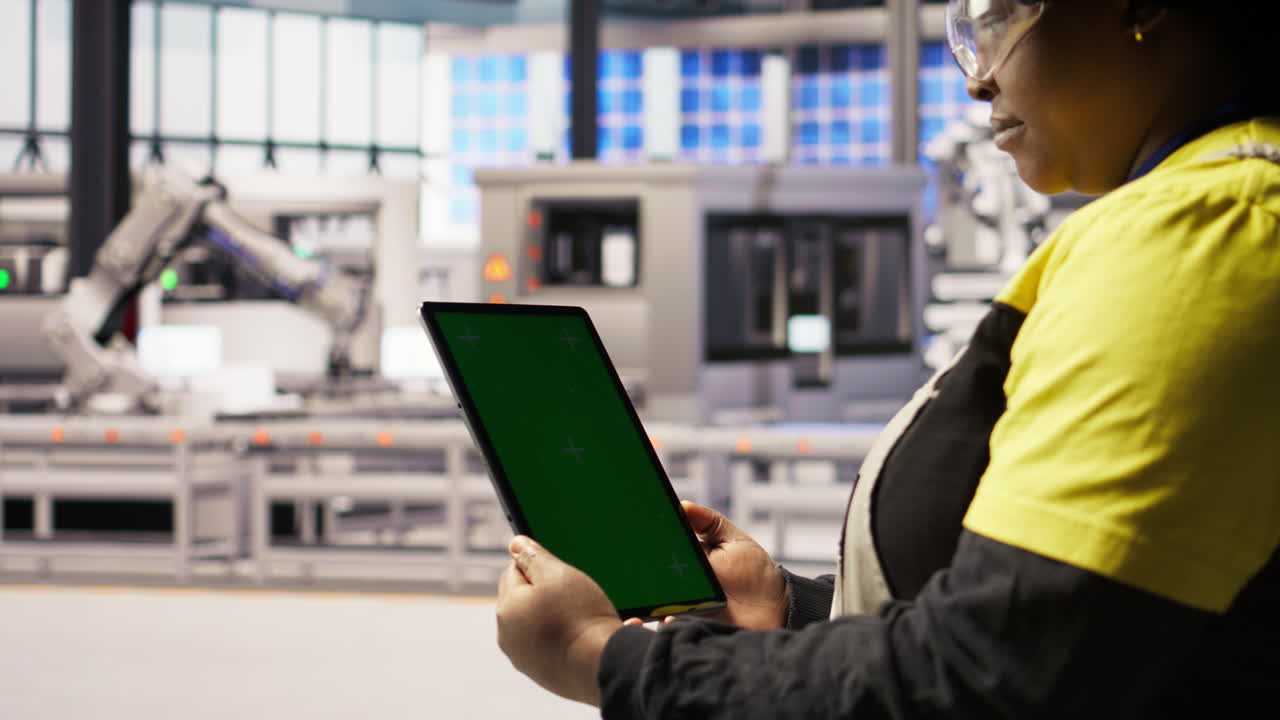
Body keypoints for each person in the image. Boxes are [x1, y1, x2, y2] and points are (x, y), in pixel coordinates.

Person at [494, 0, 1280, 717]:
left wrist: (605, 658)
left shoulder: (1208, 229)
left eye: (999, 17)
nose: (978, 80)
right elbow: (1094, 631)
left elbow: (990, 677)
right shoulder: (1199, 214)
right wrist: (792, 608)